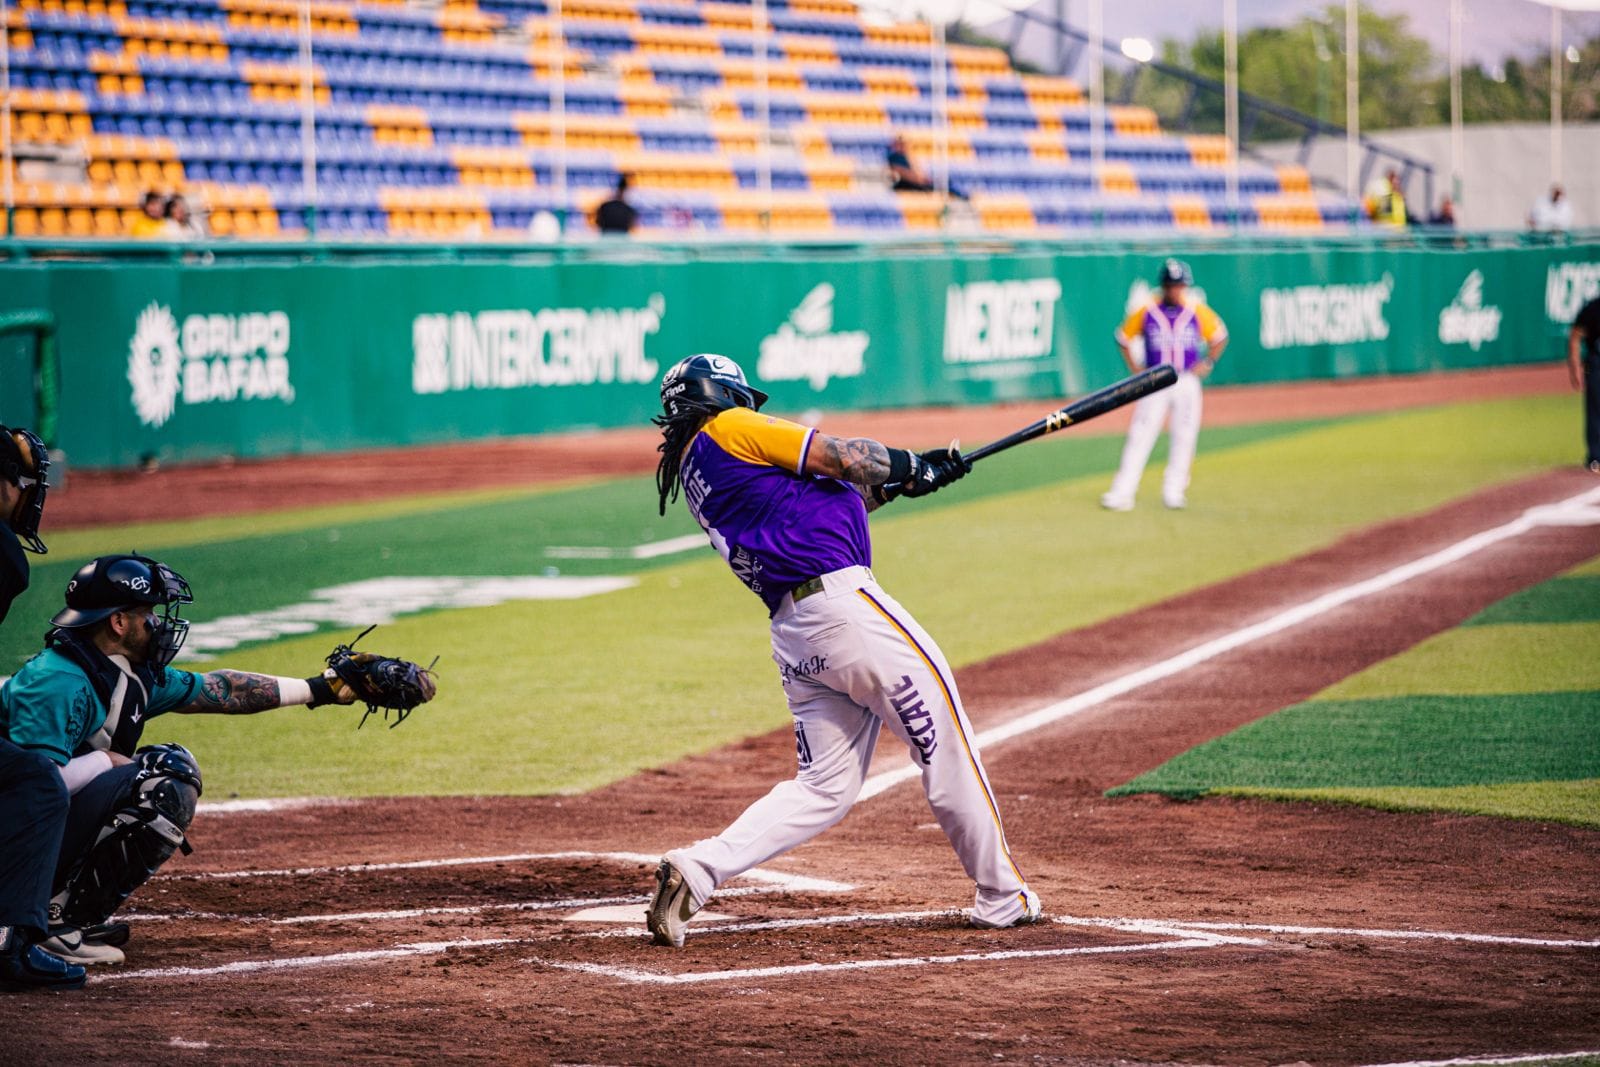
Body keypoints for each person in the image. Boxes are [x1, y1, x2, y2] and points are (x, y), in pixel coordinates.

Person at [643, 354, 1040, 948]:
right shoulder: (727, 428)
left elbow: (828, 495)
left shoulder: (699, 468)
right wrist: (912, 462)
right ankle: (1002, 894)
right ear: (720, 395)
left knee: (823, 787)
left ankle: (699, 869)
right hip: (848, 611)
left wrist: (907, 481)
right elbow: (842, 455)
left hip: (798, 635)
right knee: (946, 744)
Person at [0, 554, 365, 967]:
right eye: (148, 614)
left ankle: (62, 914)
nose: (158, 625)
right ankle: (44, 921)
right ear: (118, 623)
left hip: (27, 835)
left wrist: (323, 689)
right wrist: (103, 761)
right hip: (12, 840)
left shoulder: (123, 673)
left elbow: (221, 690)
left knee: (165, 765)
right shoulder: (58, 682)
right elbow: (34, 790)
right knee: (162, 778)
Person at [0, 426, 82, 992]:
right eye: (24, 484)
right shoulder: (4, 556)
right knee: (35, 783)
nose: (28, 497)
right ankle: (12, 942)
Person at [1101, 259, 1229, 511]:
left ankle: (1174, 490)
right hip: (1155, 381)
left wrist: (1209, 361)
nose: (1175, 289)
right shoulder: (1147, 311)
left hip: (1186, 379)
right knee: (1141, 434)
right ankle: (1123, 492)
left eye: (1179, 284)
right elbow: (1123, 337)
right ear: (1163, 286)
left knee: (1185, 435)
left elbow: (1220, 336)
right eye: (1170, 285)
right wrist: (1136, 368)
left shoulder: (1196, 311)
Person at [1568, 292, 1600, 473]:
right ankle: (1595, 457)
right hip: (1596, 366)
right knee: (1595, 412)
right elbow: (1575, 335)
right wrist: (1574, 369)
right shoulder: (1594, 308)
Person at [886, 135, 966, 199]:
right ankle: (961, 197)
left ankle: (959, 196)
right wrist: (919, 179)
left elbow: (917, 170)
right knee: (937, 186)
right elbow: (902, 173)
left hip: (915, 182)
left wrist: (909, 155)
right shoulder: (894, 157)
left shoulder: (907, 156)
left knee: (945, 182)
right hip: (905, 184)